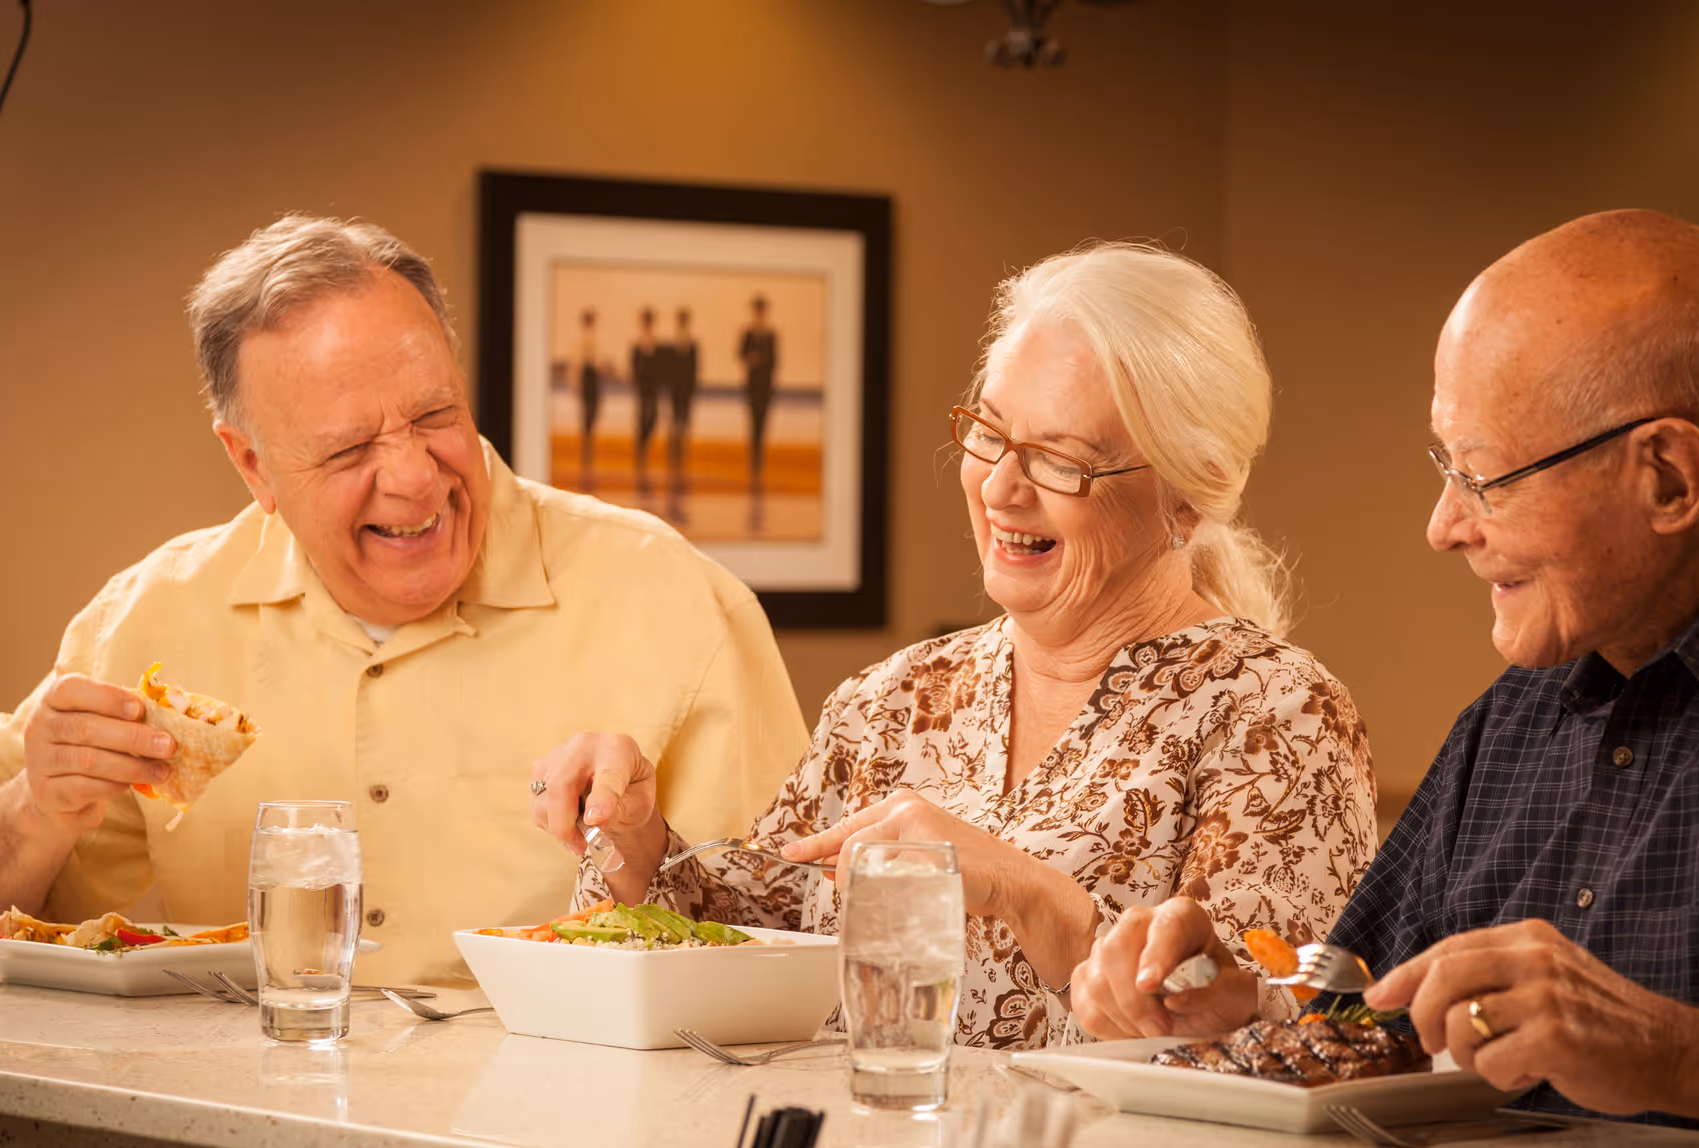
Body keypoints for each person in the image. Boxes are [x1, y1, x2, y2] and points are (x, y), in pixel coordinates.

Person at [0, 215, 810, 985]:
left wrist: (647, 849)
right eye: (346, 453)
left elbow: (801, 936)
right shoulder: (149, 619)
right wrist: (32, 808)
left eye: (434, 416)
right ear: (250, 463)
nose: (414, 480)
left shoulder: (677, 604)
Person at [1070, 211, 1699, 1146]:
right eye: (1444, 466)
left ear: (1667, 477)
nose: (1444, 526)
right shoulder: (1503, 731)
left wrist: (1674, 1054)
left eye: (1485, 476)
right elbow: (1369, 1015)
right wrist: (1250, 1005)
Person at [531, 243, 1377, 1050]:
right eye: (991, 434)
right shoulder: (891, 701)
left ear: (1185, 503)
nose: (1002, 487)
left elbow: (1300, 1037)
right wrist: (638, 838)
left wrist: (1037, 900)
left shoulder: (1276, 716)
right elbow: (749, 936)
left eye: (1062, 461)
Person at [738, 294, 778, 500]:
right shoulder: (748, 333)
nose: (760, 313)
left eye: (762, 309)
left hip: (765, 390)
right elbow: (740, 354)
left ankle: (759, 470)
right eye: (757, 309)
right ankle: (753, 470)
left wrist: (761, 361)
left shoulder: (771, 335)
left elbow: (775, 360)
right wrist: (750, 359)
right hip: (752, 390)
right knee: (753, 429)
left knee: (762, 430)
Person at [666, 306, 699, 522]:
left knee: (683, 425)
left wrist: (691, 389)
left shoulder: (692, 344)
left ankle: (681, 459)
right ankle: (674, 458)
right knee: (674, 425)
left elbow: (695, 370)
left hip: (686, 393)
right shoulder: (673, 344)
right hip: (675, 393)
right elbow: (668, 369)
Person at [630, 307, 665, 496]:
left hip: (652, 391)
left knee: (653, 419)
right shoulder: (638, 344)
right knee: (642, 420)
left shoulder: (656, 344)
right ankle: (640, 454)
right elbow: (634, 367)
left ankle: (644, 451)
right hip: (643, 391)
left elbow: (660, 367)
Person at [575, 307, 604, 489]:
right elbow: (577, 368)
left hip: (593, 385)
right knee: (586, 428)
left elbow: (599, 366)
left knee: (590, 427)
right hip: (587, 384)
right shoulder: (580, 343)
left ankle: (589, 467)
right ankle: (585, 467)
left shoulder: (596, 342)